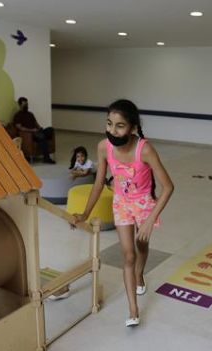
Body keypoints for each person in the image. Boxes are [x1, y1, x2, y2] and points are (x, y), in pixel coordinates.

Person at [72, 99, 175, 327]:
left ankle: (140, 274)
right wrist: (85, 213)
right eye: (109, 123)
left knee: (141, 247)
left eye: (119, 125)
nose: (112, 130)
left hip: (144, 205)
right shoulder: (103, 147)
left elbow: (168, 187)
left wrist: (149, 221)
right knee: (128, 255)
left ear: (132, 127)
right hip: (121, 204)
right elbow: (99, 183)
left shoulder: (144, 150)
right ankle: (133, 309)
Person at [13, 97, 55, 163]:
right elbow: (20, 128)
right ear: (20, 105)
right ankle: (46, 158)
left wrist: (40, 128)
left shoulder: (30, 114)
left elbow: (36, 123)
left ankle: (42, 137)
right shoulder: (17, 115)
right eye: (24, 104)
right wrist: (32, 130)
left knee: (50, 129)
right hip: (29, 134)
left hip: (37, 131)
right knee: (42, 137)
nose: (26, 105)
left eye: (27, 104)